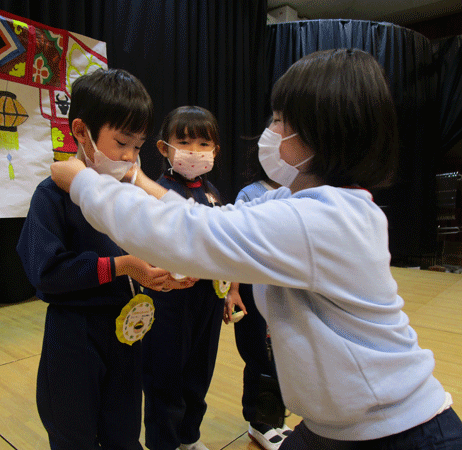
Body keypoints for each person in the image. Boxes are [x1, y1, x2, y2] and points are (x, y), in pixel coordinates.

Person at [50, 49, 462, 449]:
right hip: (342, 423)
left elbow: (189, 233)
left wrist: (84, 182)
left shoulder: (320, 219)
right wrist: (137, 180)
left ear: (322, 132)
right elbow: (207, 218)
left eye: (281, 120)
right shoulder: (302, 201)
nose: (271, 131)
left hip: (397, 430)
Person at [16, 68, 189, 450]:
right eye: (122, 142)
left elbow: (167, 236)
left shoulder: (129, 194)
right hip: (75, 331)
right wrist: (122, 266)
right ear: (81, 131)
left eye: (138, 146)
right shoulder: (53, 194)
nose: (130, 157)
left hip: (127, 328)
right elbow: (46, 271)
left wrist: (166, 274)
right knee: (73, 433)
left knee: (123, 431)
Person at [140, 106, 231, 450]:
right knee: (165, 375)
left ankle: (189, 437)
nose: (194, 151)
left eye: (203, 143)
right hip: (169, 299)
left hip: (208, 298)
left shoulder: (214, 193)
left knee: (199, 372)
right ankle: (164, 442)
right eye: (184, 142)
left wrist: (231, 290)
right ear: (164, 147)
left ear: (215, 151)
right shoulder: (153, 190)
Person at [224, 166, 292, 450]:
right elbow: (237, 245)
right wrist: (234, 290)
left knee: (281, 356)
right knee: (257, 356)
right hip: (252, 289)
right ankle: (258, 421)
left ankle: (275, 416)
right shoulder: (251, 194)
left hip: (283, 288)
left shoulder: (298, 190)